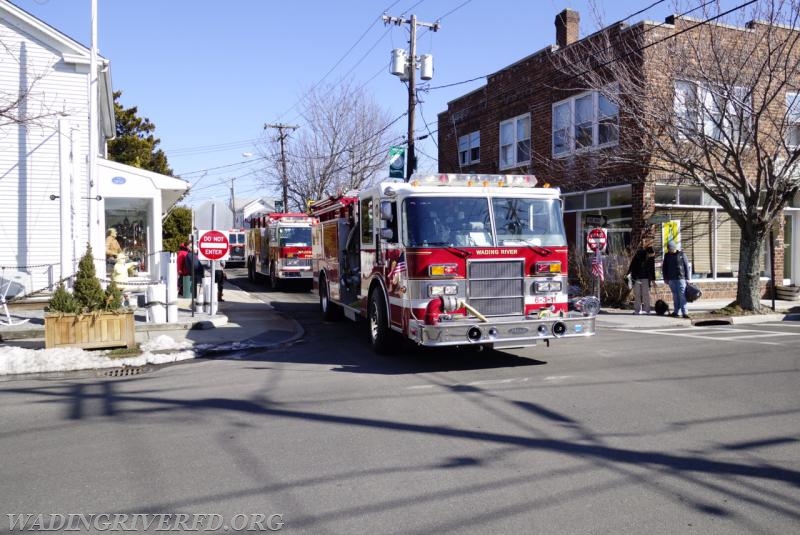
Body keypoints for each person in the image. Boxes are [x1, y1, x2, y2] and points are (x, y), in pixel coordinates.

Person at [662, 240, 692, 318]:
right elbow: (664, 267)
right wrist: (665, 278)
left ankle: (684, 312)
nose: (669, 250)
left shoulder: (682, 254)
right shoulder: (667, 255)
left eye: (670, 249)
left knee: (682, 295)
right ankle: (676, 311)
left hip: (681, 278)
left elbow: (686, 266)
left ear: (673, 248)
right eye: (668, 249)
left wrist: (688, 278)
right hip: (671, 279)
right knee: (675, 296)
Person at [627, 244, 656, 314]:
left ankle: (647, 310)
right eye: (651, 255)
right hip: (636, 277)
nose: (652, 256)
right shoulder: (638, 255)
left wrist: (653, 279)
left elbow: (652, 269)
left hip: (646, 278)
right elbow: (632, 264)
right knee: (637, 294)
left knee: (646, 294)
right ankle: (638, 310)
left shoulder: (651, 258)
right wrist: (628, 273)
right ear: (647, 253)